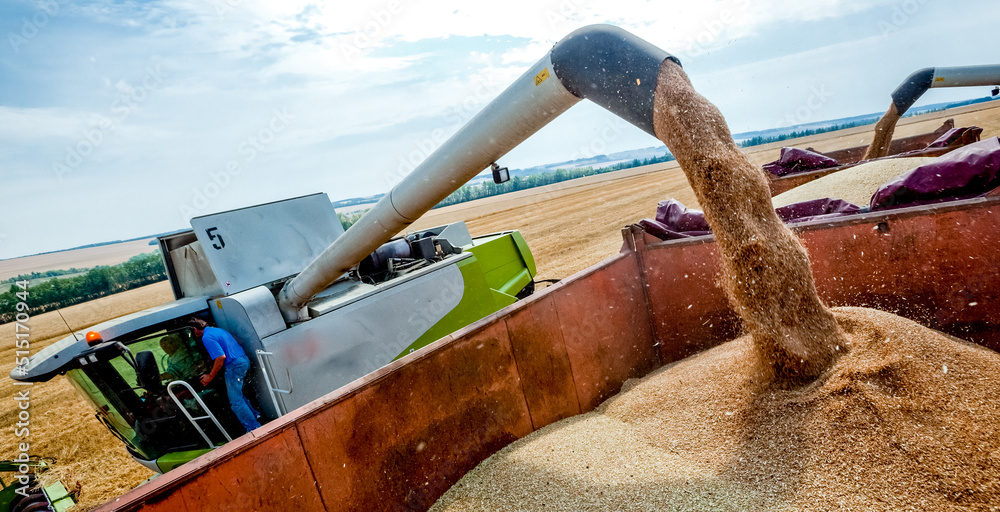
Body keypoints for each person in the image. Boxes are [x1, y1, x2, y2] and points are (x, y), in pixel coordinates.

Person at [187, 318, 261, 432]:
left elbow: (221, 357)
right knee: (238, 395)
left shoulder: (207, 337)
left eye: (191, 331)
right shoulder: (216, 330)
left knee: (235, 401)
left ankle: (254, 428)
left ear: (195, 329)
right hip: (243, 360)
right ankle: (255, 416)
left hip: (234, 366)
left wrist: (210, 376)